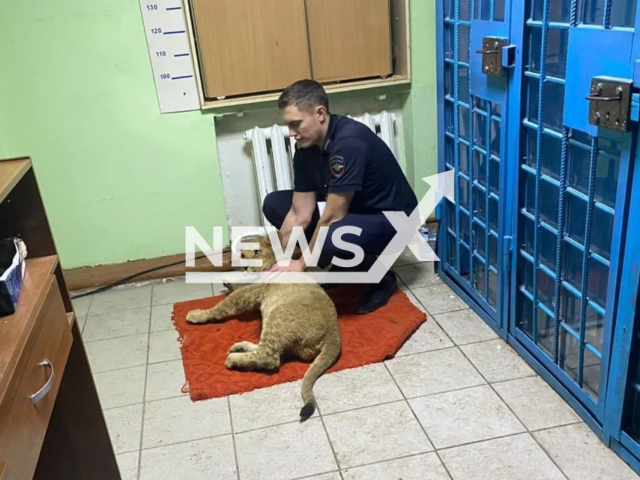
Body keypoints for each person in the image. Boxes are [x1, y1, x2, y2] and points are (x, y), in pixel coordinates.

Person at [263, 80, 418, 314]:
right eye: (288, 125)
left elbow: (334, 216)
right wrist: (281, 262)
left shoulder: (349, 143)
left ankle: (382, 279)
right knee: (275, 204)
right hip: (358, 212)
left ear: (320, 113)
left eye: (296, 124)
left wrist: (301, 264)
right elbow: (299, 213)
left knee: (333, 235)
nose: (291, 133)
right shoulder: (305, 149)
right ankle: (347, 265)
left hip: (394, 220)